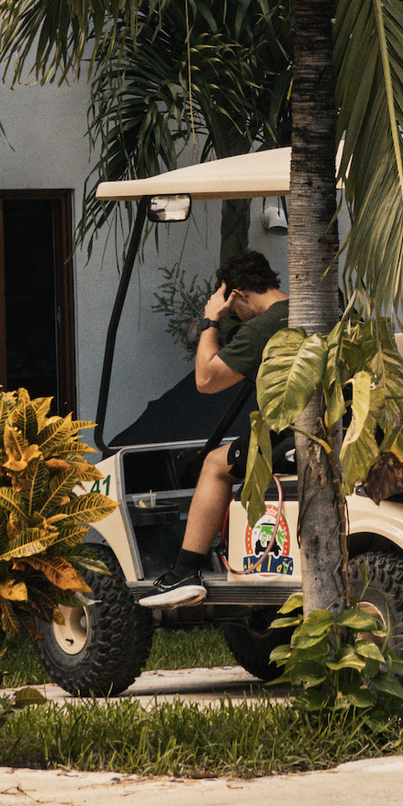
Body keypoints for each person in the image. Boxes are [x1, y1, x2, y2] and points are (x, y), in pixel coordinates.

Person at [132, 247, 292, 608]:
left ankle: (185, 571)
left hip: (297, 433)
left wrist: (211, 320)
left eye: (234, 307)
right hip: (344, 421)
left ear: (236, 294)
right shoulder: (313, 307)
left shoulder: (266, 326)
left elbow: (205, 380)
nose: (236, 314)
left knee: (216, 465)